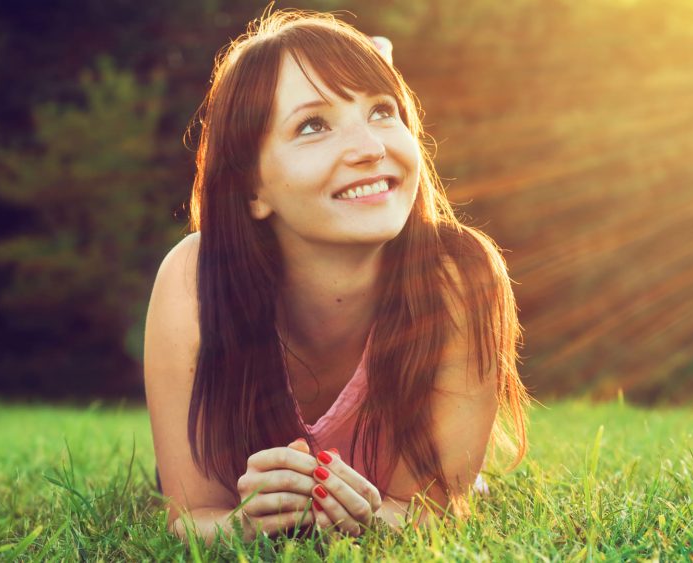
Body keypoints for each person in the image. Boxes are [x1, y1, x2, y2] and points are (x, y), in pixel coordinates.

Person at [143, 9, 528, 543]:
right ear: (253, 188)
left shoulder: (459, 278)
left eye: (381, 111)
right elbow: (190, 520)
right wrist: (241, 525)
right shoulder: (193, 280)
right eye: (312, 125)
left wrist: (372, 519)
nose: (371, 149)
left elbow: (433, 512)